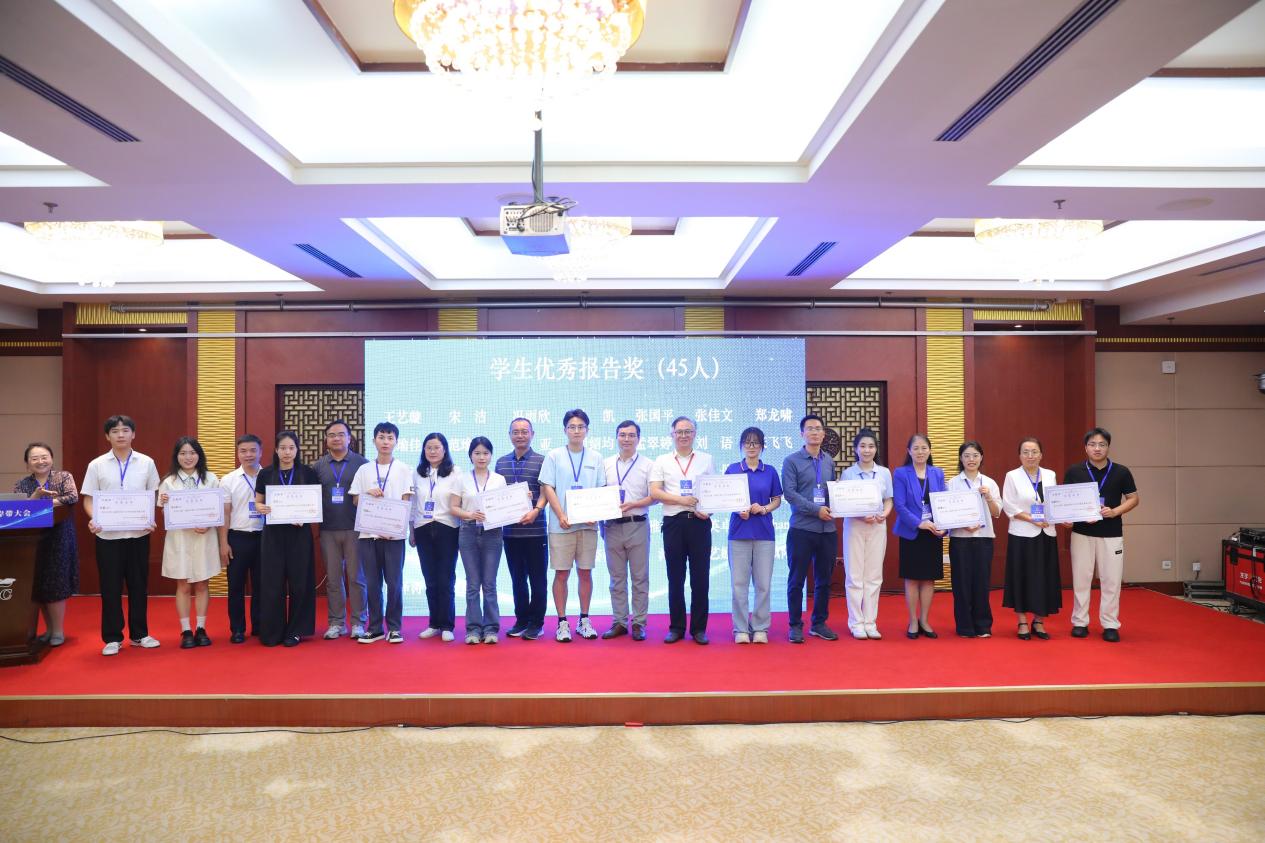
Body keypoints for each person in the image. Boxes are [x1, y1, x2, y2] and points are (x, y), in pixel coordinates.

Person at [80, 414, 162, 656]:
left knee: (139, 585)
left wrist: (149, 517)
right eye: (115, 431)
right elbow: (88, 499)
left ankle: (139, 634)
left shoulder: (146, 462)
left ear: (133, 434)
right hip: (108, 537)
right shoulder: (96, 465)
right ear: (107, 436)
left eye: (125, 430)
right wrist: (94, 518)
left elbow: (152, 495)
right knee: (110, 587)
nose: (121, 435)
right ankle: (112, 637)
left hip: (138, 534)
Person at [1063, 427, 1139, 643]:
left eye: (1102, 444)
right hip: (1082, 533)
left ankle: (1110, 624)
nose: (1097, 448)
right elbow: (1066, 502)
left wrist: (1114, 511)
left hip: (1111, 533)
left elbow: (1134, 499)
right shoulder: (1074, 471)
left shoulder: (1121, 472)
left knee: (1111, 580)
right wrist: (1069, 520)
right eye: (1092, 444)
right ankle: (1080, 622)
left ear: (1108, 447)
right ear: (1085, 448)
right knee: (1081, 578)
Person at [539, 409, 606, 642]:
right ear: (565, 430)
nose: (576, 431)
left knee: (585, 572)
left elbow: (601, 489)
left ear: (587, 430)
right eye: (572, 427)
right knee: (561, 573)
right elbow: (548, 487)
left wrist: (595, 513)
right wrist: (561, 514)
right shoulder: (554, 456)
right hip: (562, 525)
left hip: (587, 525)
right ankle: (562, 622)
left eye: (580, 427)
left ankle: (584, 620)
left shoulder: (596, 457)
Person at [650, 415, 715, 645]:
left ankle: (699, 629)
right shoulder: (662, 460)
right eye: (679, 432)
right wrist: (681, 500)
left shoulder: (706, 459)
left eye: (688, 431)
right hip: (673, 523)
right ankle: (676, 627)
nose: (683, 435)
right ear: (672, 434)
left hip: (699, 523)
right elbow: (655, 492)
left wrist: (709, 511)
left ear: (695, 434)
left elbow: (713, 492)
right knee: (675, 578)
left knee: (701, 578)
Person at [350, 422, 414, 645]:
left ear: (396, 441)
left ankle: (394, 628)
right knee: (372, 583)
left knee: (394, 583)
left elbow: (406, 501)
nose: (385, 442)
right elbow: (355, 500)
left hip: (394, 537)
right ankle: (375, 628)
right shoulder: (364, 470)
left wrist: (394, 529)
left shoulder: (403, 469)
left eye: (390, 438)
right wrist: (366, 493)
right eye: (381, 437)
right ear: (374, 440)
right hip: (368, 535)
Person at [253, 430, 318, 647]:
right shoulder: (266, 474)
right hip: (273, 535)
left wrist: (305, 517)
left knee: (300, 583)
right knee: (272, 583)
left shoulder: (307, 473)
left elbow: (314, 505)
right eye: (283, 448)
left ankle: (296, 631)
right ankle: (273, 631)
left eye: (291, 448)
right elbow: (258, 502)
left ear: (297, 450)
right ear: (276, 450)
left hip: (299, 534)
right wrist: (260, 508)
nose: (287, 452)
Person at [157, 437, 222, 649]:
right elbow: (164, 512)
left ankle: (201, 628)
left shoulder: (211, 479)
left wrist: (209, 524)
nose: (188, 457)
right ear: (176, 456)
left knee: (202, 583)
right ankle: (186, 630)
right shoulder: (168, 481)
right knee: (183, 584)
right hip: (180, 539)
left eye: (192, 452)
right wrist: (166, 504)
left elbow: (218, 509)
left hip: (204, 537)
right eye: (183, 453)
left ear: (199, 455)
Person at [780, 414, 838, 643]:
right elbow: (790, 493)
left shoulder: (829, 461)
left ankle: (819, 623)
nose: (814, 432)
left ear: (823, 434)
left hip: (827, 530)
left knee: (824, 579)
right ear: (801, 434)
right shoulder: (791, 461)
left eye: (818, 429)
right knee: (796, 579)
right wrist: (816, 510)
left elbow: (832, 491)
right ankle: (795, 625)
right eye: (810, 429)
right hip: (802, 529)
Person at [14, 442, 78, 647]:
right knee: (39, 584)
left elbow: (72, 497)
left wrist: (44, 502)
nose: (40, 461)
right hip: (32, 540)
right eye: (34, 458)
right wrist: (36, 496)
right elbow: (18, 508)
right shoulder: (22, 484)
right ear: (27, 463)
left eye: (44, 457)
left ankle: (58, 630)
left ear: (51, 459)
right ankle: (48, 630)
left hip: (59, 536)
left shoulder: (63, 477)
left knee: (56, 583)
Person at [725, 427, 783, 645]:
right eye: (747, 443)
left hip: (764, 533)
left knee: (763, 584)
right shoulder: (733, 470)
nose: (751, 447)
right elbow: (723, 499)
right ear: (741, 445)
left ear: (762, 447)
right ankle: (740, 628)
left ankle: (760, 627)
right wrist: (736, 508)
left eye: (756, 443)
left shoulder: (770, 471)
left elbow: (777, 499)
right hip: (738, 532)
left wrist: (765, 509)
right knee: (739, 584)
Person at [1001, 437, 1062, 640]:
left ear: (1041, 455)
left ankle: (1039, 621)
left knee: (1044, 577)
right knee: (1022, 577)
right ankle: (1022, 622)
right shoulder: (1012, 476)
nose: (1030, 456)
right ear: (1019, 455)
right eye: (1025, 452)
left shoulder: (1050, 474)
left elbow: (1055, 502)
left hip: (1047, 533)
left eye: (1034, 452)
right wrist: (1032, 519)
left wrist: (1061, 515)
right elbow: (1009, 506)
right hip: (1022, 534)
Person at [313, 419, 368, 640]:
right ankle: (336, 623)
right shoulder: (318, 466)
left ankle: (358, 622)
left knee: (356, 578)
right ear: (326, 439)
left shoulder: (362, 464)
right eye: (332, 435)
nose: (336, 438)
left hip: (355, 529)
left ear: (349, 438)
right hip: (328, 530)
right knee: (334, 579)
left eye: (341, 434)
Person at [494, 418, 549, 640]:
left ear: (532, 434)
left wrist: (536, 510)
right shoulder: (501, 463)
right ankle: (521, 620)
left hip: (536, 530)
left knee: (538, 580)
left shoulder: (542, 461)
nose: (520, 435)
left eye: (524, 431)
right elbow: (496, 496)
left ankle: (537, 623)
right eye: (515, 432)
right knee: (517, 579)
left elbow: (546, 492)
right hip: (510, 532)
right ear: (509, 435)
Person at [450, 436, 506, 644]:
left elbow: (506, 506)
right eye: (477, 453)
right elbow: (453, 507)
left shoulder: (499, 479)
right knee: (473, 583)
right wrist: (470, 514)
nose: (481, 457)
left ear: (491, 455)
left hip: (493, 532)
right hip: (468, 531)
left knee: (489, 583)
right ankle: (473, 629)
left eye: (485, 453)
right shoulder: (461, 479)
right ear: (470, 456)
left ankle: (491, 629)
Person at [601, 419, 654, 641]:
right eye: (622, 435)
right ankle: (619, 622)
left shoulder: (648, 465)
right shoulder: (605, 464)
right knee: (616, 578)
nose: (626, 439)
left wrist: (634, 504)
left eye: (631, 435)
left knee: (640, 578)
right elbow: (597, 494)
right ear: (616, 437)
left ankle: (639, 623)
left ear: (638, 439)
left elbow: (655, 497)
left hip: (637, 524)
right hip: (612, 526)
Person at [839, 428, 893, 640]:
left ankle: (870, 622)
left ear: (876, 449)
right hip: (855, 526)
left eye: (871, 446)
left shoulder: (884, 473)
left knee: (874, 576)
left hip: (878, 527)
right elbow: (842, 504)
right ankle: (856, 623)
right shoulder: (848, 474)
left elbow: (888, 500)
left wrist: (884, 514)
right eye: (862, 446)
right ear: (855, 449)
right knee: (854, 576)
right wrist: (861, 516)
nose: (867, 450)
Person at [893, 433, 946, 640]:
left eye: (924, 448)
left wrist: (944, 527)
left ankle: (924, 619)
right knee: (913, 578)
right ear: (909, 451)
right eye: (916, 448)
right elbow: (900, 505)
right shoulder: (901, 473)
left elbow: (943, 502)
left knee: (929, 578)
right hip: (912, 532)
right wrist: (919, 523)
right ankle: (913, 621)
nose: (920, 452)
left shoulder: (937, 473)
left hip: (932, 532)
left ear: (930, 450)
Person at [946, 440, 1002, 638]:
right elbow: (947, 514)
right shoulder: (952, 483)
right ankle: (964, 626)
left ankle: (983, 625)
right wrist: (963, 525)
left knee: (981, 582)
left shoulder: (989, 483)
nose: (971, 459)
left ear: (981, 458)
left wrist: (989, 497)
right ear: (961, 458)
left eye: (975, 455)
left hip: (984, 538)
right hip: (960, 539)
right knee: (961, 584)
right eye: (967, 456)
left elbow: (997, 513)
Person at [412, 432, 462, 643]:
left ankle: (447, 625)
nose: (432, 451)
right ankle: (434, 623)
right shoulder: (417, 473)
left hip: (447, 527)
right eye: (428, 448)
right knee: (430, 579)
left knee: (446, 578)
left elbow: (459, 502)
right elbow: (413, 503)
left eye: (436, 447)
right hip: (423, 528)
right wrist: (411, 529)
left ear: (445, 449)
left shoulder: (455, 472)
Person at [217, 434, 264, 643]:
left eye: (253, 450)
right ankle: (237, 629)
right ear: (238, 453)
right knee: (235, 586)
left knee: (262, 585)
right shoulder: (228, 480)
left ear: (260, 452)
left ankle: (260, 625)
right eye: (243, 451)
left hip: (264, 538)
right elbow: (225, 514)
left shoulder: (269, 476)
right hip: (237, 538)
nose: (248, 455)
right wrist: (223, 542)